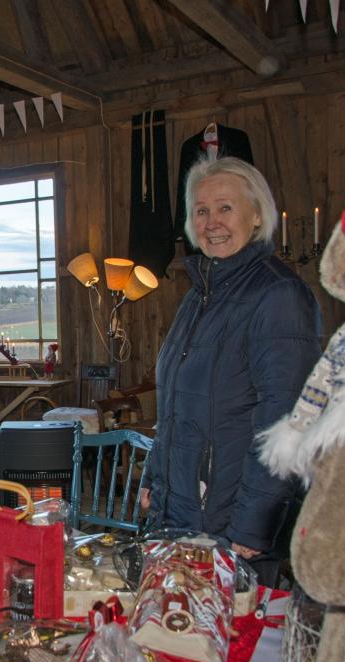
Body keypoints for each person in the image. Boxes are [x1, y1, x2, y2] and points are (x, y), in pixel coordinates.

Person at [138, 157, 322, 586]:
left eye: (225, 208)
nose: (212, 222)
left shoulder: (279, 294)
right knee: (173, 624)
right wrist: (154, 478)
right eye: (201, 210)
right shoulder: (198, 296)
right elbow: (176, 403)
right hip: (182, 513)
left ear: (256, 215)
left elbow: (287, 418)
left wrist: (254, 523)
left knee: (229, 629)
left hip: (232, 522)